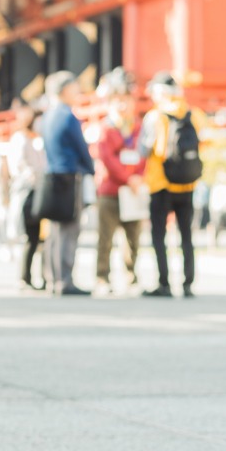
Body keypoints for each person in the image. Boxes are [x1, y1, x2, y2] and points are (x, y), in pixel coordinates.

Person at [139, 72, 205, 297]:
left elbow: (146, 148)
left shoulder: (155, 117)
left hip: (161, 183)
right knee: (186, 234)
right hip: (187, 184)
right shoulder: (193, 114)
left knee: (159, 235)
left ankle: (164, 283)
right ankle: (188, 283)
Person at [41, 71, 94, 296]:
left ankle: (51, 277)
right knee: (70, 229)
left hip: (52, 175)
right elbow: (81, 148)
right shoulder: (68, 116)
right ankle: (65, 279)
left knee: (55, 230)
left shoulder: (47, 116)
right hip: (70, 176)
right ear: (64, 89)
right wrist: (90, 168)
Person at [93, 70, 145, 294]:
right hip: (110, 190)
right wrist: (128, 177)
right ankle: (102, 277)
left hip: (132, 190)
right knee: (106, 237)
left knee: (133, 238)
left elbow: (144, 155)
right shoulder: (107, 128)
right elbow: (107, 158)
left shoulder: (138, 127)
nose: (123, 105)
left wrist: (137, 178)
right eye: (118, 100)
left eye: (126, 100)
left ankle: (131, 275)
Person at [6, 103, 47, 289]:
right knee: (29, 236)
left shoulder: (36, 140)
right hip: (26, 191)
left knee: (38, 237)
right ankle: (24, 276)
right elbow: (20, 166)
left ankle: (36, 276)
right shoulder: (20, 139)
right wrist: (33, 175)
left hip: (39, 190)